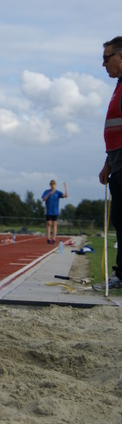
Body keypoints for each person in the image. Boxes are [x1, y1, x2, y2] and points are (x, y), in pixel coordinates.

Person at [98, 36, 122, 290]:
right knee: (119, 219)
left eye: (107, 58)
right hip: (117, 164)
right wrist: (108, 164)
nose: (103, 64)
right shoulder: (118, 86)